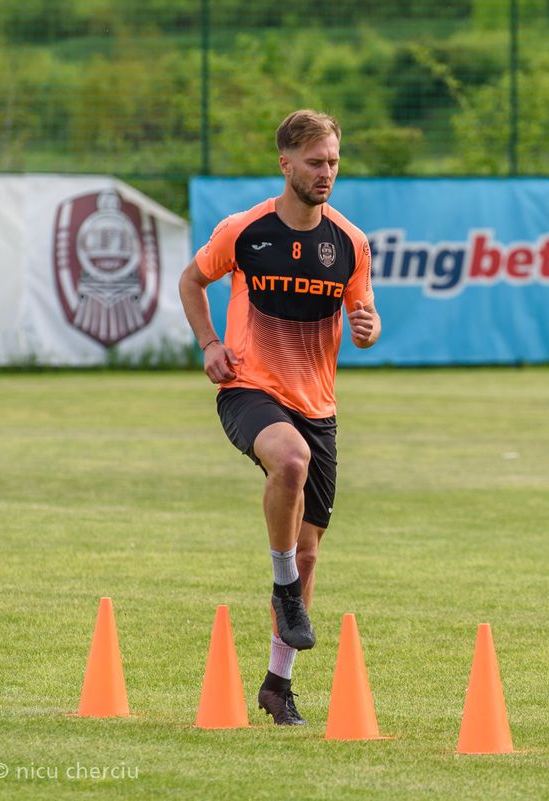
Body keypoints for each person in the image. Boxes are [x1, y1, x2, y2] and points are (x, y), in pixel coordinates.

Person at [178, 109, 380, 725]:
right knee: (289, 460)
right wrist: (211, 345)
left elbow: (362, 315)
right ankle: (284, 586)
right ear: (286, 163)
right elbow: (192, 281)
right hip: (248, 390)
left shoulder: (350, 242)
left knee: (311, 548)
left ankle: (277, 684)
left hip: (318, 404)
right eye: (316, 162)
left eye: (334, 162)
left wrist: (368, 329)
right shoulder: (244, 231)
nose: (327, 174)